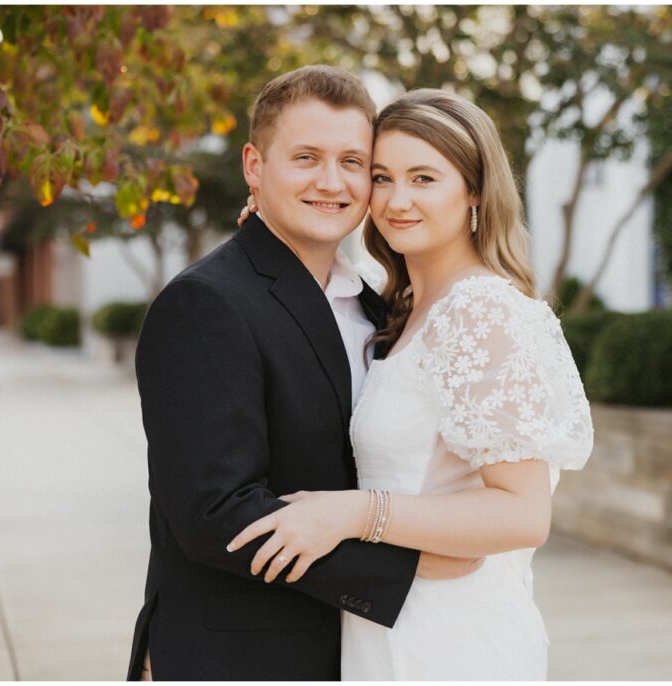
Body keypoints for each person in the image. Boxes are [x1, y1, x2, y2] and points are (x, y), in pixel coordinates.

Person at [127, 66, 481, 682]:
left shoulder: (377, 304)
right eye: (306, 157)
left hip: (364, 649)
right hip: (242, 655)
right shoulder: (206, 303)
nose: (331, 182)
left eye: (352, 162)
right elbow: (213, 514)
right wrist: (410, 561)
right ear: (254, 167)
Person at [230, 89, 593, 680]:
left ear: (473, 191)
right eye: (381, 176)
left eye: (424, 178)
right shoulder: (398, 309)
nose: (397, 200)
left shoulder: (480, 312)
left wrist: (353, 514)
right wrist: (271, 229)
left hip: (450, 638)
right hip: (383, 621)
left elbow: (523, 515)